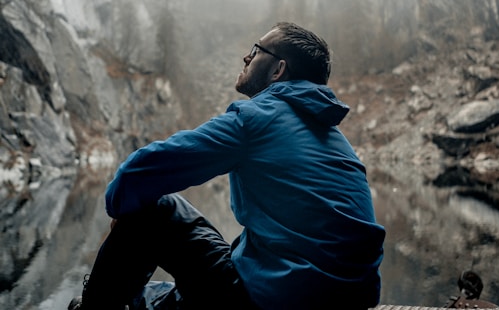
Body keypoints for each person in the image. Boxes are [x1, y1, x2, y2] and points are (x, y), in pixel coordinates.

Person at [68, 22, 385, 310]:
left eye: (255, 50)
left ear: (278, 70)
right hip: (350, 302)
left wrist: (125, 210)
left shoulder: (257, 119)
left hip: (273, 301)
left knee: (155, 209)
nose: (246, 58)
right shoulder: (335, 138)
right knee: (156, 297)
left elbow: (140, 172)